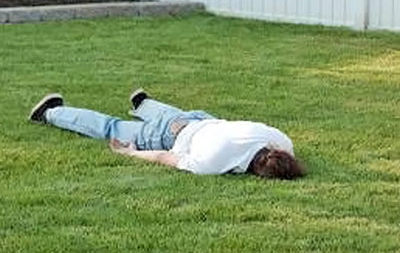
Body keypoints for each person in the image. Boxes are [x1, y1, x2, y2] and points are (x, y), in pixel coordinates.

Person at [29, 89, 305, 179]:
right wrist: (130, 152)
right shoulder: (213, 162)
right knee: (112, 127)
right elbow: (164, 156)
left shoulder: (282, 141)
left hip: (201, 120)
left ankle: (144, 104)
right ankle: (50, 113)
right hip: (174, 134)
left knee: (178, 115)